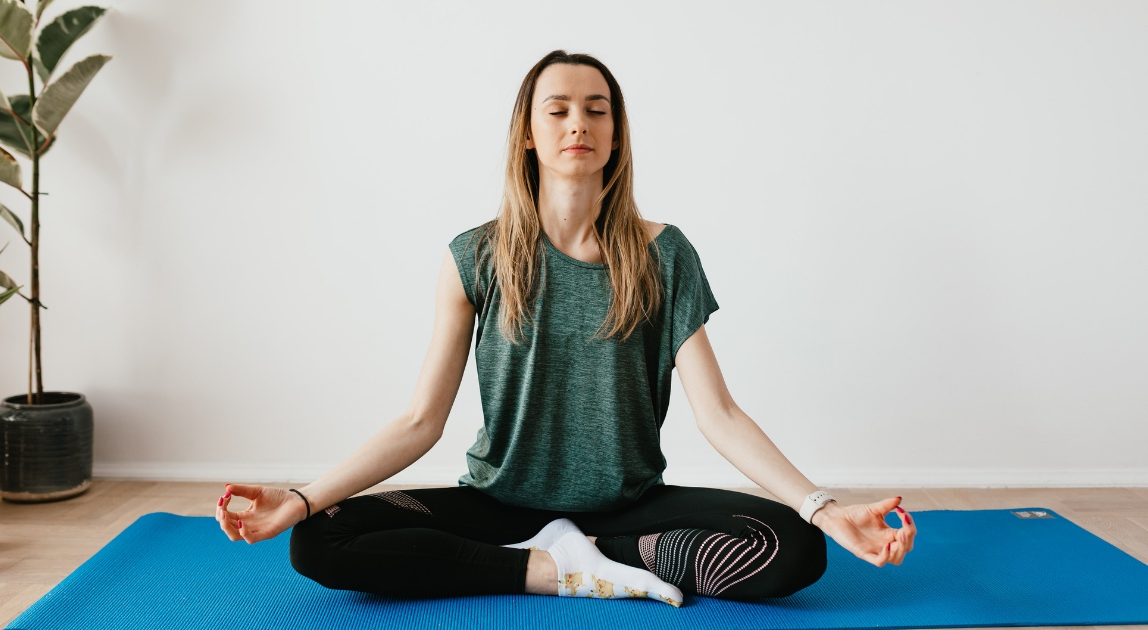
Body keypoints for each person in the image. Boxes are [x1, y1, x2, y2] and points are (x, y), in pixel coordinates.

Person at [215, 49, 917, 607]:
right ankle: (556, 570)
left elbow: (721, 414)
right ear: (529, 133)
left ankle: (602, 558)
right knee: (320, 539)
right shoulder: (476, 257)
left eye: (595, 110)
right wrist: (304, 496)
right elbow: (419, 421)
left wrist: (823, 508)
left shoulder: (663, 254)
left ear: (615, 134)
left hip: (631, 507)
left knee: (794, 549)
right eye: (558, 110)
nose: (578, 123)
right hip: (498, 505)